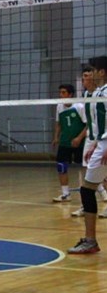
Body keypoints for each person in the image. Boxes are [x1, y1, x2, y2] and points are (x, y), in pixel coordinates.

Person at [68, 56, 107, 254]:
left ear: (101, 72)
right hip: (101, 143)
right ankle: (90, 240)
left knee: (87, 189)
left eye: (93, 70)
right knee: (88, 189)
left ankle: (91, 241)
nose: (90, 73)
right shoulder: (97, 93)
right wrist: (96, 142)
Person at [51, 84, 87, 203]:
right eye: (60, 92)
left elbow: (88, 125)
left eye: (63, 92)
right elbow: (58, 123)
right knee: (61, 167)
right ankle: (65, 194)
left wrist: (79, 138)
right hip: (65, 142)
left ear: (70, 94)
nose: (61, 95)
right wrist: (56, 137)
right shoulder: (59, 106)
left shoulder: (79, 106)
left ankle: (102, 191)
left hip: (79, 143)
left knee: (86, 168)